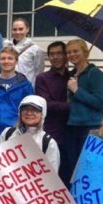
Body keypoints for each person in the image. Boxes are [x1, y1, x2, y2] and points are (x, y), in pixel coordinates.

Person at [62, 39, 103, 204]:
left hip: (89, 128)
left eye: (75, 51)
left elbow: (99, 102)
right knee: (75, 171)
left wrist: (76, 90)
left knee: (87, 174)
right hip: (72, 127)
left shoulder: (95, 74)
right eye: (69, 52)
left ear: (84, 52)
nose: (72, 55)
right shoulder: (73, 75)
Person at [35, 41, 70, 176]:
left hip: (72, 130)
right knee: (50, 172)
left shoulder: (73, 76)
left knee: (69, 170)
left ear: (66, 56)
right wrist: (71, 107)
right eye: (52, 54)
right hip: (53, 130)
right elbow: (46, 104)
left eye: (59, 53)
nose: (56, 57)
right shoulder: (43, 78)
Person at [3, 18, 44, 86]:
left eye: (21, 29)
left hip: (27, 88)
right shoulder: (7, 47)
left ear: (27, 29)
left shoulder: (35, 49)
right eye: (15, 29)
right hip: (10, 87)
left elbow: (39, 72)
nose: (17, 32)